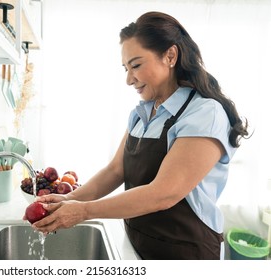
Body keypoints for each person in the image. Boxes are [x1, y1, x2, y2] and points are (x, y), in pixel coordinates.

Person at [32, 11, 249, 260]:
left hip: (186, 253)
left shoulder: (204, 113)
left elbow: (164, 193)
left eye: (136, 65)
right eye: (125, 68)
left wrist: (82, 211)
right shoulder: (142, 113)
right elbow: (116, 170)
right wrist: (68, 199)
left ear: (170, 56)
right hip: (139, 245)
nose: (128, 79)